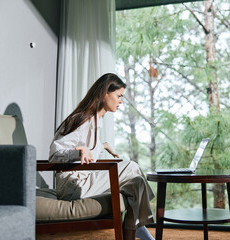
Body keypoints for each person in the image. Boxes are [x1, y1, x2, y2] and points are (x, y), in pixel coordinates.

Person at [49, 73, 155, 240]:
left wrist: (103, 146)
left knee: (137, 182)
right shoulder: (82, 119)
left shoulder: (96, 120)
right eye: (119, 96)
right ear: (106, 92)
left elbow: (88, 145)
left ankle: (136, 228)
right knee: (132, 166)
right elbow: (55, 154)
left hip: (84, 181)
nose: (121, 101)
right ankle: (139, 225)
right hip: (72, 186)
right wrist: (78, 152)